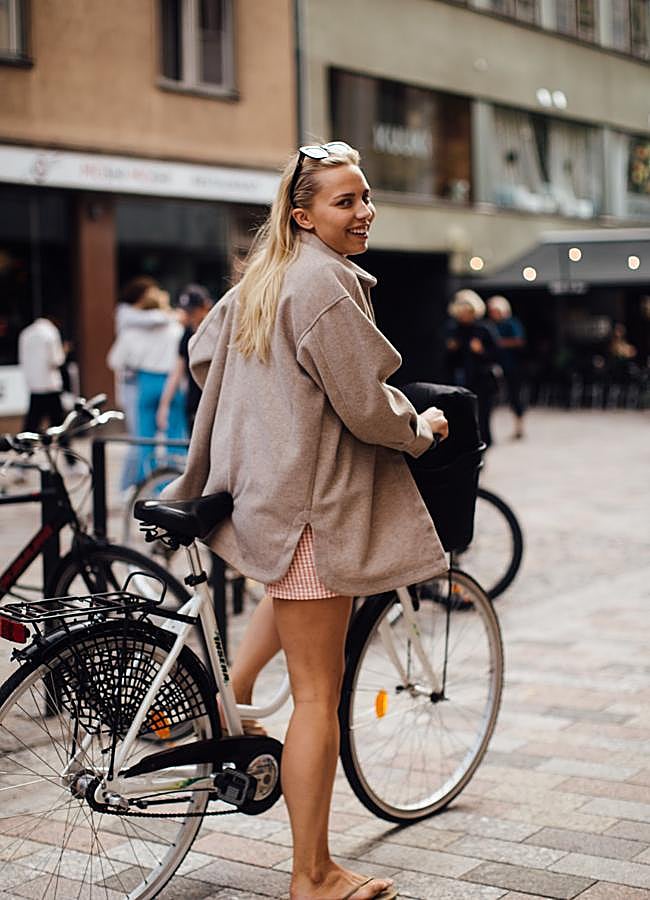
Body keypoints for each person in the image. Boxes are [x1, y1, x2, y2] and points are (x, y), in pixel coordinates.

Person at [163, 141, 449, 900]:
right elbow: (364, 403)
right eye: (344, 202)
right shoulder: (326, 283)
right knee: (321, 691)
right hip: (314, 506)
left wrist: (269, 413)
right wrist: (420, 426)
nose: (364, 212)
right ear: (303, 215)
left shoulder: (266, 277)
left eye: (365, 197)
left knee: (286, 601)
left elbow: (201, 357)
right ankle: (312, 875)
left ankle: (232, 695)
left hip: (267, 499)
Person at [107, 285, 185, 488]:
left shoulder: (132, 333)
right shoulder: (175, 329)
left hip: (145, 382)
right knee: (175, 436)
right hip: (171, 382)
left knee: (144, 438)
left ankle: (145, 484)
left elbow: (114, 361)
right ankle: (173, 485)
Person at [18, 315, 77, 468]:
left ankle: (23, 462)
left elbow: (22, 360)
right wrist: (64, 351)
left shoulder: (26, 333)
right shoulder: (50, 333)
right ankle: (71, 462)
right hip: (50, 386)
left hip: (35, 386)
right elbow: (56, 360)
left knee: (30, 427)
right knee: (59, 427)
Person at [156, 284, 213, 437]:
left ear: (205, 307)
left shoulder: (215, 331)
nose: (190, 316)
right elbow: (177, 370)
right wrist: (164, 404)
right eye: (187, 312)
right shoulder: (187, 333)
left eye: (193, 311)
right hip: (194, 399)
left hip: (214, 399)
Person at [445, 289, 499, 447]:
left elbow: (496, 355)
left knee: (482, 418)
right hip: (460, 381)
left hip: (482, 381)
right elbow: (446, 361)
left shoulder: (484, 329)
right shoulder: (453, 330)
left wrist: (481, 351)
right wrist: (451, 350)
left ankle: (483, 446)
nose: (464, 316)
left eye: (468, 312)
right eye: (461, 313)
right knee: (463, 417)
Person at [487, 294, 527, 440]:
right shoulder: (490, 325)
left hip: (512, 366)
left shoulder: (511, 323)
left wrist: (498, 343)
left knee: (515, 397)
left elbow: (519, 341)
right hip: (495, 366)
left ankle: (519, 426)